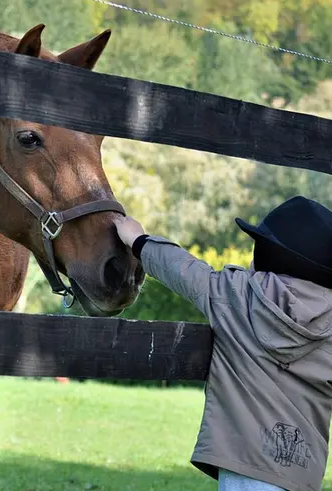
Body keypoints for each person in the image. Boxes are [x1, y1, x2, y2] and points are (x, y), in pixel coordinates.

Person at [113, 196, 332, 491]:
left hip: (244, 466)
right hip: (302, 474)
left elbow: (183, 270)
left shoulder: (236, 295)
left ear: (269, 256)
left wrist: (139, 240)